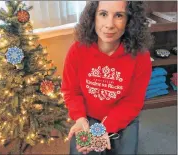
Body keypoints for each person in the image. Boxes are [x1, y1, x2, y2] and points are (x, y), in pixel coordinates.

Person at [61, 1, 153, 155]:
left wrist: (104, 128)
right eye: (103, 14)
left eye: (119, 15)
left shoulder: (140, 57)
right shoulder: (77, 50)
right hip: (87, 116)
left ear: (130, 20)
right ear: (93, 17)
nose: (109, 24)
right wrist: (80, 119)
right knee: (82, 152)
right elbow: (71, 91)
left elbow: (132, 102)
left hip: (123, 118)